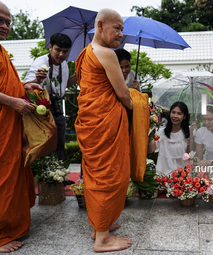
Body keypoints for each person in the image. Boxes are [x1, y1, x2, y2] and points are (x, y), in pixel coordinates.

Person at [74, 9, 133, 252]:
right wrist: (136, 105)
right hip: (105, 124)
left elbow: (89, 88)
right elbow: (122, 94)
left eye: (121, 29)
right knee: (109, 175)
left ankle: (102, 224)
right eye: (116, 28)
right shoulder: (107, 54)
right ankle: (102, 238)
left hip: (92, 122)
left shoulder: (85, 53)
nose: (121, 33)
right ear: (100, 25)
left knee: (96, 175)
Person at [0, 1, 42, 252]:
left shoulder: (3, 52)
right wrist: (13, 102)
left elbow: (7, 85)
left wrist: (24, 89)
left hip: (9, 125)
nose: (5, 26)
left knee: (11, 172)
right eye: (0, 21)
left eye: (8, 22)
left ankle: (9, 224)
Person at [24, 33, 77, 160]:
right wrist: (37, 79)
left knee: (59, 143)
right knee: (44, 145)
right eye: (57, 50)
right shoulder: (40, 62)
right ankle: (43, 176)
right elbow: (26, 86)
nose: (61, 55)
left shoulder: (64, 64)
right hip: (42, 108)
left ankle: (58, 173)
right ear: (50, 47)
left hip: (57, 107)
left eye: (65, 52)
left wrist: (78, 74)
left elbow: (64, 86)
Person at [147, 101, 190, 176]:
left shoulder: (188, 133)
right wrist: (150, 130)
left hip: (181, 178)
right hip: (163, 176)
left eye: (179, 113)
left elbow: (191, 156)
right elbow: (150, 150)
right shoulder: (161, 133)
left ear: (184, 116)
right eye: (173, 112)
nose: (175, 116)